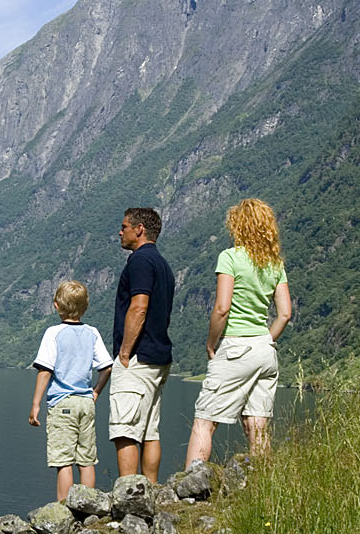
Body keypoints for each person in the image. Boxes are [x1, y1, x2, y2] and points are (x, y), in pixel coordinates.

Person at [185, 198, 292, 467]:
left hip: (235, 347)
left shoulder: (230, 257)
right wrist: (266, 340)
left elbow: (222, 308)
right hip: (265, 351)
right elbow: (285, 314)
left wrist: (212, 344)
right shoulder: (275, 264)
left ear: (238, 226)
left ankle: (188, 491)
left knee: (205, 420)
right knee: (256, 424)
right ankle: (263, 488)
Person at [29, 280, 113, 502]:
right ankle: (89, 507)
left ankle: (64, 510)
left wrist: (36, 404)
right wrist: (95, 392)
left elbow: (45, 371)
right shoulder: (92, 333)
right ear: (85, 306)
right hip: (86, 403)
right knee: (86, 459)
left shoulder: (53, 333)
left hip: (62, 403)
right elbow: (107, 366)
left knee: (64, 461)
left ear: (56, 305)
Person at [108, 207, 175, 483]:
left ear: (140, 230)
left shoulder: (139, 262)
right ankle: (151, 490)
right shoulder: (163, 265)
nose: (120, 232)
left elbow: (139, 307)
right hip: (159, 356)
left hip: (138, 357)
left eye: (124, 226)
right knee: (149, 431)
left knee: (125, 429)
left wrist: (125, 352)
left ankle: (128, 497)